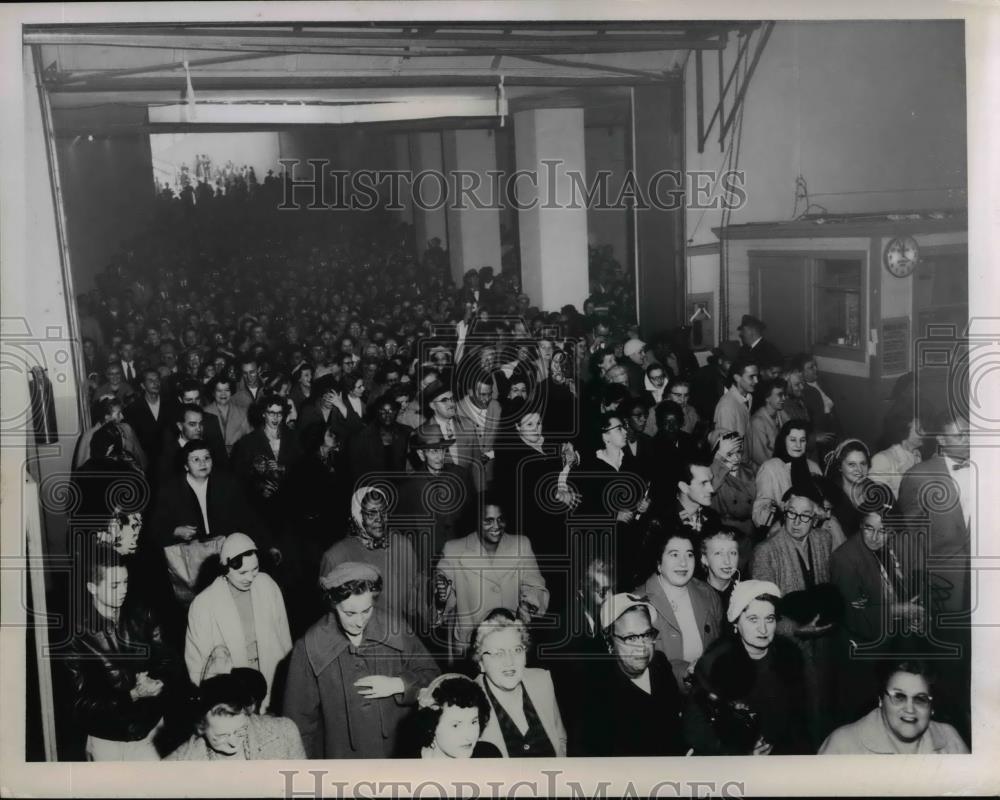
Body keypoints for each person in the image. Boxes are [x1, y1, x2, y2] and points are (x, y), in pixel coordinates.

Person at [283, 562, 439, 759]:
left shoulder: (396, 629)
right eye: (349, 613)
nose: (359, 621)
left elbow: (434, 678)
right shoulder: (309, 647)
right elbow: (298, 724)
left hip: (399, 756)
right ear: (332, 603)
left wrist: (399, 684)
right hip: (342, 763)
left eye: (367, 610)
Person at [62, 547, 186, 761]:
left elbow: (171, 663)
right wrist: (132, 695)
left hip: (151, 730)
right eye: (114, 585)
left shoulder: (143, 612)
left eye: (125, 582)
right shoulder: (76, 635)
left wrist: (159, 682)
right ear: (92, 587)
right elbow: (78, 705)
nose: (123, 590)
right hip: (107, 739)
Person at [897, 411, 972, 744]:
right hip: (942, 594)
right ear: (939, 439)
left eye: (970, 433)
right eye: (959, 435)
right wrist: (918, 596)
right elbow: (910, 542)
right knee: (945, 668)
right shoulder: (918, 475)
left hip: (983, 591)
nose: (968, 439)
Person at [751, 484, 838, 746]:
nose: (797, 522)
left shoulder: (824, 539)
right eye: (791, 514)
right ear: (783, 512)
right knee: (800, 718)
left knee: (828, 707)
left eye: (805, 516)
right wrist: (796, 631)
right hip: (788, 647)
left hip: (824, 640)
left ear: (816, 519)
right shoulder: (765, 552)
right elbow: (763, 613)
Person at [683, 580, 811, 755]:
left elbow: (800, 720)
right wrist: (742, 753)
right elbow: (695, 729)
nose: (763, 629)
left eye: (769, 619)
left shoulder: (789, 657)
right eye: (753, 619)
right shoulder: (717, 662)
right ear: (736, 623)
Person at [830, 509, 925, 722]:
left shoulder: (885, 547)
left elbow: (891, 589)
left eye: (883, 531)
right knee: (862, 718)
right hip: (862, 654)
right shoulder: (844, 559)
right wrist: (900, 610)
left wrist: (911, 614)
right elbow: (853, 617)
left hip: (888, 644)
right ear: (860, 526)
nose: (875, 537)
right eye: (869, 529)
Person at [184, 533, 292, 712]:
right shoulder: (203, 604)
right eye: (242, 573)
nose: (250, 577)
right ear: (225, 569)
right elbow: (196, 665)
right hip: (232, 690)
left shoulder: (267, 586)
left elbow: (284, 637)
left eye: (255, 569)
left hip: (272, 679)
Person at [435, 498, 549, 658]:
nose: (496, 526)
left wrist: (527, 604)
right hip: (471, 648)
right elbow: (440, 594)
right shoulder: (454, 549)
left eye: (500, 519)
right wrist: (440, 594)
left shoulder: (521, 545)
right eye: (488, 520)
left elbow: (535, 585)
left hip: (511, 641)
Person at [318, 486, 425, 629]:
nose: (379, 519)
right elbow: (329, 619)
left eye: (383, 512)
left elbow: (412, 600)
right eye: (371, 514)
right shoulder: (336, 557)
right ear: (357, 516)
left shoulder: (402, 545)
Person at [637, 526, 723, 691]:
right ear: (658, 562)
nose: (683, 562)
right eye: (674, 554)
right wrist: (687, 671)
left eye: (689, 555)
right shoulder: (637, 603)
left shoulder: (709, 594)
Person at [819, 660, 968, 754]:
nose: (910, 709)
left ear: (931, 707)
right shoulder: (842, 744)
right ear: (880, 701)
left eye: (920, 699)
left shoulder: (950, 739)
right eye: (899, 697)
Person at [472, 611, 567, 757]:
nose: (510, 662)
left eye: (517, 650)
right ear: (481, 663)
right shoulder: (469, 702)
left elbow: (560, 739)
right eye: (498, 653)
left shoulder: (542, 680)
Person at [165, 670, 306, 760]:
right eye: (221, 736)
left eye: (241, 730)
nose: (233, 743)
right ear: (200, 727)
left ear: (248, 712)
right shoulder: (184, 761)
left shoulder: (285, 733)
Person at [402, 673, 502, 758]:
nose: (469, 736)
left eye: (473, 722)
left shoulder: (489, 755)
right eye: (456, 725)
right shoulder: (407, 768)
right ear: (431, 726)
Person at [752, 419, 823, 532]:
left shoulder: (814, 468)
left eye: (802, 440)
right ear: (784, 441)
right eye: (793, 440)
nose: (798, 445)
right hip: (782, 531)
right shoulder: (770, 468)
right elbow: (759, 517)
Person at [823, 438, 887, 536]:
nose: (859, 469)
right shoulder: (830, 498)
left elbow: (898, 529)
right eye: (852, 464)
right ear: (840, 467)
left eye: (863, 463)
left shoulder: (880, 493)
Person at [713, 357, 759, 463]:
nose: (757, 381)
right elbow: (727, 452)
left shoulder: (749, 397)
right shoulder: (727, 407)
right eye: (752, 377)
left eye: (757, 376)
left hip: (747, 462)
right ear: (737, 378)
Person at [869, 414, 923, 501]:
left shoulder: (917, 455)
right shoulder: (882, 459)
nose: (924, 433)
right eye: (919, 429)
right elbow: (876, 499)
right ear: (905, 430)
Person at [204, 376, 251, 456]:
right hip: (213, 459)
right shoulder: (204, 413)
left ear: (231, 391)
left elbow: (250, 441)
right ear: (213, 392)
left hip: (238, 458)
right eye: (219, 390)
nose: (223, 394)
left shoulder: (243, 413)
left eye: (227, 390)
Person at [748, 378, 789, 469]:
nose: (784, 398)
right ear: (767, 397)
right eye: (779, 395)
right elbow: (761, 458)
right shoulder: (757, 422)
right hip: (765, 471)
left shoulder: (781, 413)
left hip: (782, 465)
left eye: (784, 394)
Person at [699, 523, 741, 612]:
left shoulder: (746, 593)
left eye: (732, 553)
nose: (727, 561)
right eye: (718, 553)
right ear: (704, 559)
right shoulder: (696, 595)